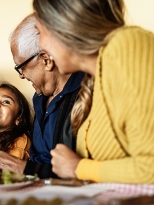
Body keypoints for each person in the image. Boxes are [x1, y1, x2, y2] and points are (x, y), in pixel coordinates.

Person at [33, 0, 154, 183]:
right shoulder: (95, 79)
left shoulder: (127, 44)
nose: (41, 46)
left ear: (63, 27)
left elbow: (150, 167)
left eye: (39, 32)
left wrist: (79, 168)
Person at [0, 13, 85, 178]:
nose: (21, 75)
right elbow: (40, 160)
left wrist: (25, 168)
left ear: (46, 60)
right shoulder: (40, 98)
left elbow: (80, 169)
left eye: (20, 66)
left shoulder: (86, 94)